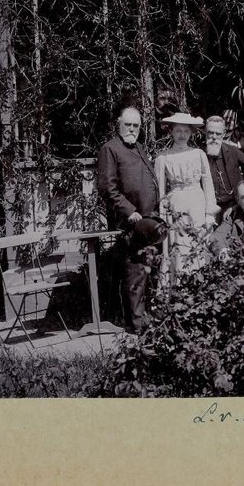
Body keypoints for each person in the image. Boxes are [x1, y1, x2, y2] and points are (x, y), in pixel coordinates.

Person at [95, 106, 162, 332]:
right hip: (130, 221)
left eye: (136, 125)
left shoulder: (140, 148)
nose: (132, 129)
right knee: (135, 270)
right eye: (128, 125)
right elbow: (107, 187)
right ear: (119, 124)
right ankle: (136, 325)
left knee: (148, 268)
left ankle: (149, 318)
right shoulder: (110, 149)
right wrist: (128, 210)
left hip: (148, 217)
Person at [154, 112, 220, 277]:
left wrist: (210, 213)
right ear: (171, 132)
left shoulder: (199, 154)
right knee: (180, 245)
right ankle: (179, 285)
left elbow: (208, 183)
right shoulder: (163, 157)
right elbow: (160, 191)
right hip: (176, 204)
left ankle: (201, 284)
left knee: (198, 244)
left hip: (197, 203)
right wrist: (162, 215)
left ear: (191, 133)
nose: (182, 135)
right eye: (178, 131)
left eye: (186, 131)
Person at [205, 114, 244, 213]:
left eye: (218, 133)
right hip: (210, 205)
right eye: (211, 133)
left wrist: (242, 183)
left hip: (233, 204)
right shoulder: (199, 154)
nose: (214, 137)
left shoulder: (232, 151)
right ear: (205, 132)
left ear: (223, 134)